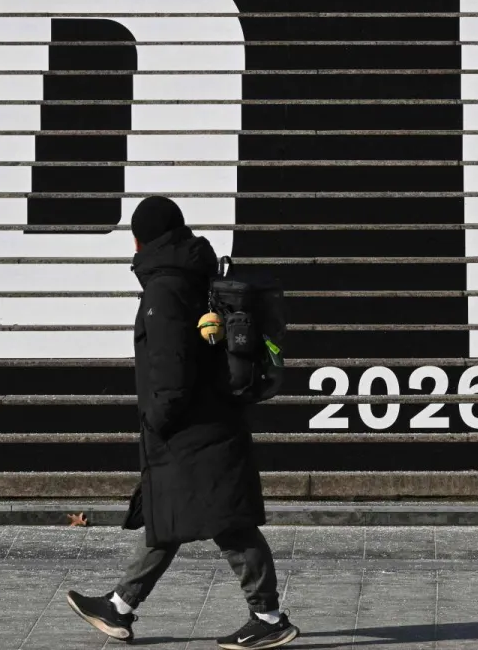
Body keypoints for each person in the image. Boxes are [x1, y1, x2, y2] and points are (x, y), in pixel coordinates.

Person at [66, 196, 298, 649]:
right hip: (206, 420)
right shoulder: (194, 273)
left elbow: (170, 365)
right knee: (167, 515)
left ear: (140, 239)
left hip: (191, 426)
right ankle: (120, 605)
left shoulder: (164, 288)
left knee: (228, 523)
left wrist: (158, 417)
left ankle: (268, 617)